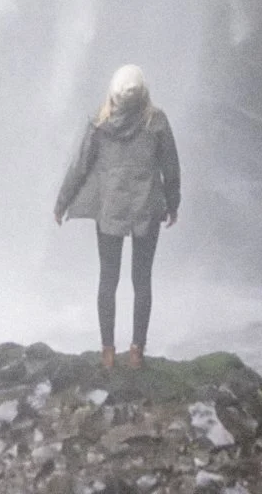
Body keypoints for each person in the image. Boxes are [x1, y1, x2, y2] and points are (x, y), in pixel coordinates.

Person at [53, 63, 181, 369]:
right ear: (144, 93)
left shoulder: (100, 123)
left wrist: (62, 203)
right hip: (147, 210)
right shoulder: (157, 121)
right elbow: (171, 168)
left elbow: (79, 166)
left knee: (107, 279)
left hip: (109, 209)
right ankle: (137, 351)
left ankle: (108, 352)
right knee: (142, 279)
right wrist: (173, 204)